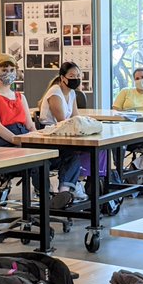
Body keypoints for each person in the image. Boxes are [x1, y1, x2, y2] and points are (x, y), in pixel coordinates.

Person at [0, 55, 72, 208]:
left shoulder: (19, 96)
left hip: (25, 137)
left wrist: (39, 139)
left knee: (69, 153)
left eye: (12, 69)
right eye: (4, 70)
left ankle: (63, 192)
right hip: (6, 142)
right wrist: (20, 141)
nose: (8, 73)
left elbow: (30, 126)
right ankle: (46, 197)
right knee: (36, 157)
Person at [37, 62, 85, 199]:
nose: (75, 78)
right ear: (63, 77)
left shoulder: (72, 93)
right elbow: (62, 120)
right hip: (50, 136)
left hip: (63, 134)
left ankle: (68, 189)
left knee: (85, 152)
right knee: (72, 154)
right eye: (71, 76)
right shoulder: (55, 93)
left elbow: (76, 116)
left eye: (77, 76)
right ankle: (65, 191)